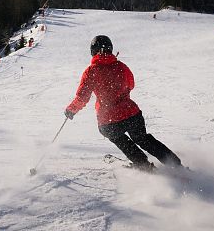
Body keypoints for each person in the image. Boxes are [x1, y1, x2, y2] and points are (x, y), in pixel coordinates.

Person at [64, 35, 182, 171]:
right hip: (132, 114)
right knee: (143, 139)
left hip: (109, 120)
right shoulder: (121, 66)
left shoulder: (91, 71)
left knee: (117, 137)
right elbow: (131, 84)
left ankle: (143, 165)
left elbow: (82, 97)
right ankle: (175, 164)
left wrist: (71, 110)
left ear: (93, 51)